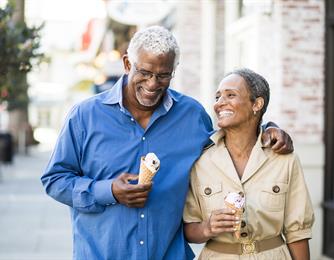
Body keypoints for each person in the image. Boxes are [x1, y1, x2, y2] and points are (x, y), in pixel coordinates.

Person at [41, 26, 293, 260]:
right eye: (145, 72)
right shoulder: (85, 116)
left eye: (163, 75)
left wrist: (267, 128)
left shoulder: (191, 116)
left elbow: (231, 144)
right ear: (128, 64)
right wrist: (109, 191)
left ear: (174, 70)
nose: (152, 84)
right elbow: (55, 180)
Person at [183, 68, 314, 260]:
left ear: (257, 104)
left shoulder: (284, 159)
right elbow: (188, 228)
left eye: (230, 95)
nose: (219, 103)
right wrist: (207, 228)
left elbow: (298, 233)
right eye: (218, 96)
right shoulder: (201, 160)